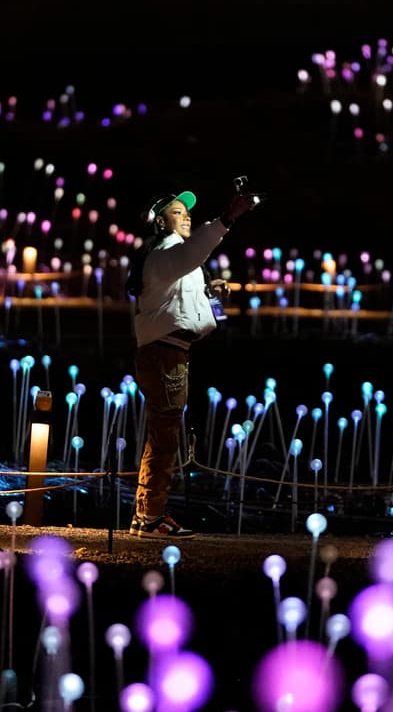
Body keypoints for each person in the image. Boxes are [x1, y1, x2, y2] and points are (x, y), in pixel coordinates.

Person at [125, 187, 254, 538]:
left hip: (168, 352)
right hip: (165, 355)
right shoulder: (168, 254)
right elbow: (195, 251)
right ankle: (152, 517)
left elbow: (178, 296)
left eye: (187, 212)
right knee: (165, 437)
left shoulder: (168, 260)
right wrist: (228, 218)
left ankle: (145, 513)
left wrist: (209, 292)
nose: (187, 216)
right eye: (178, 212)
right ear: (161, 222)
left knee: (161, 435)